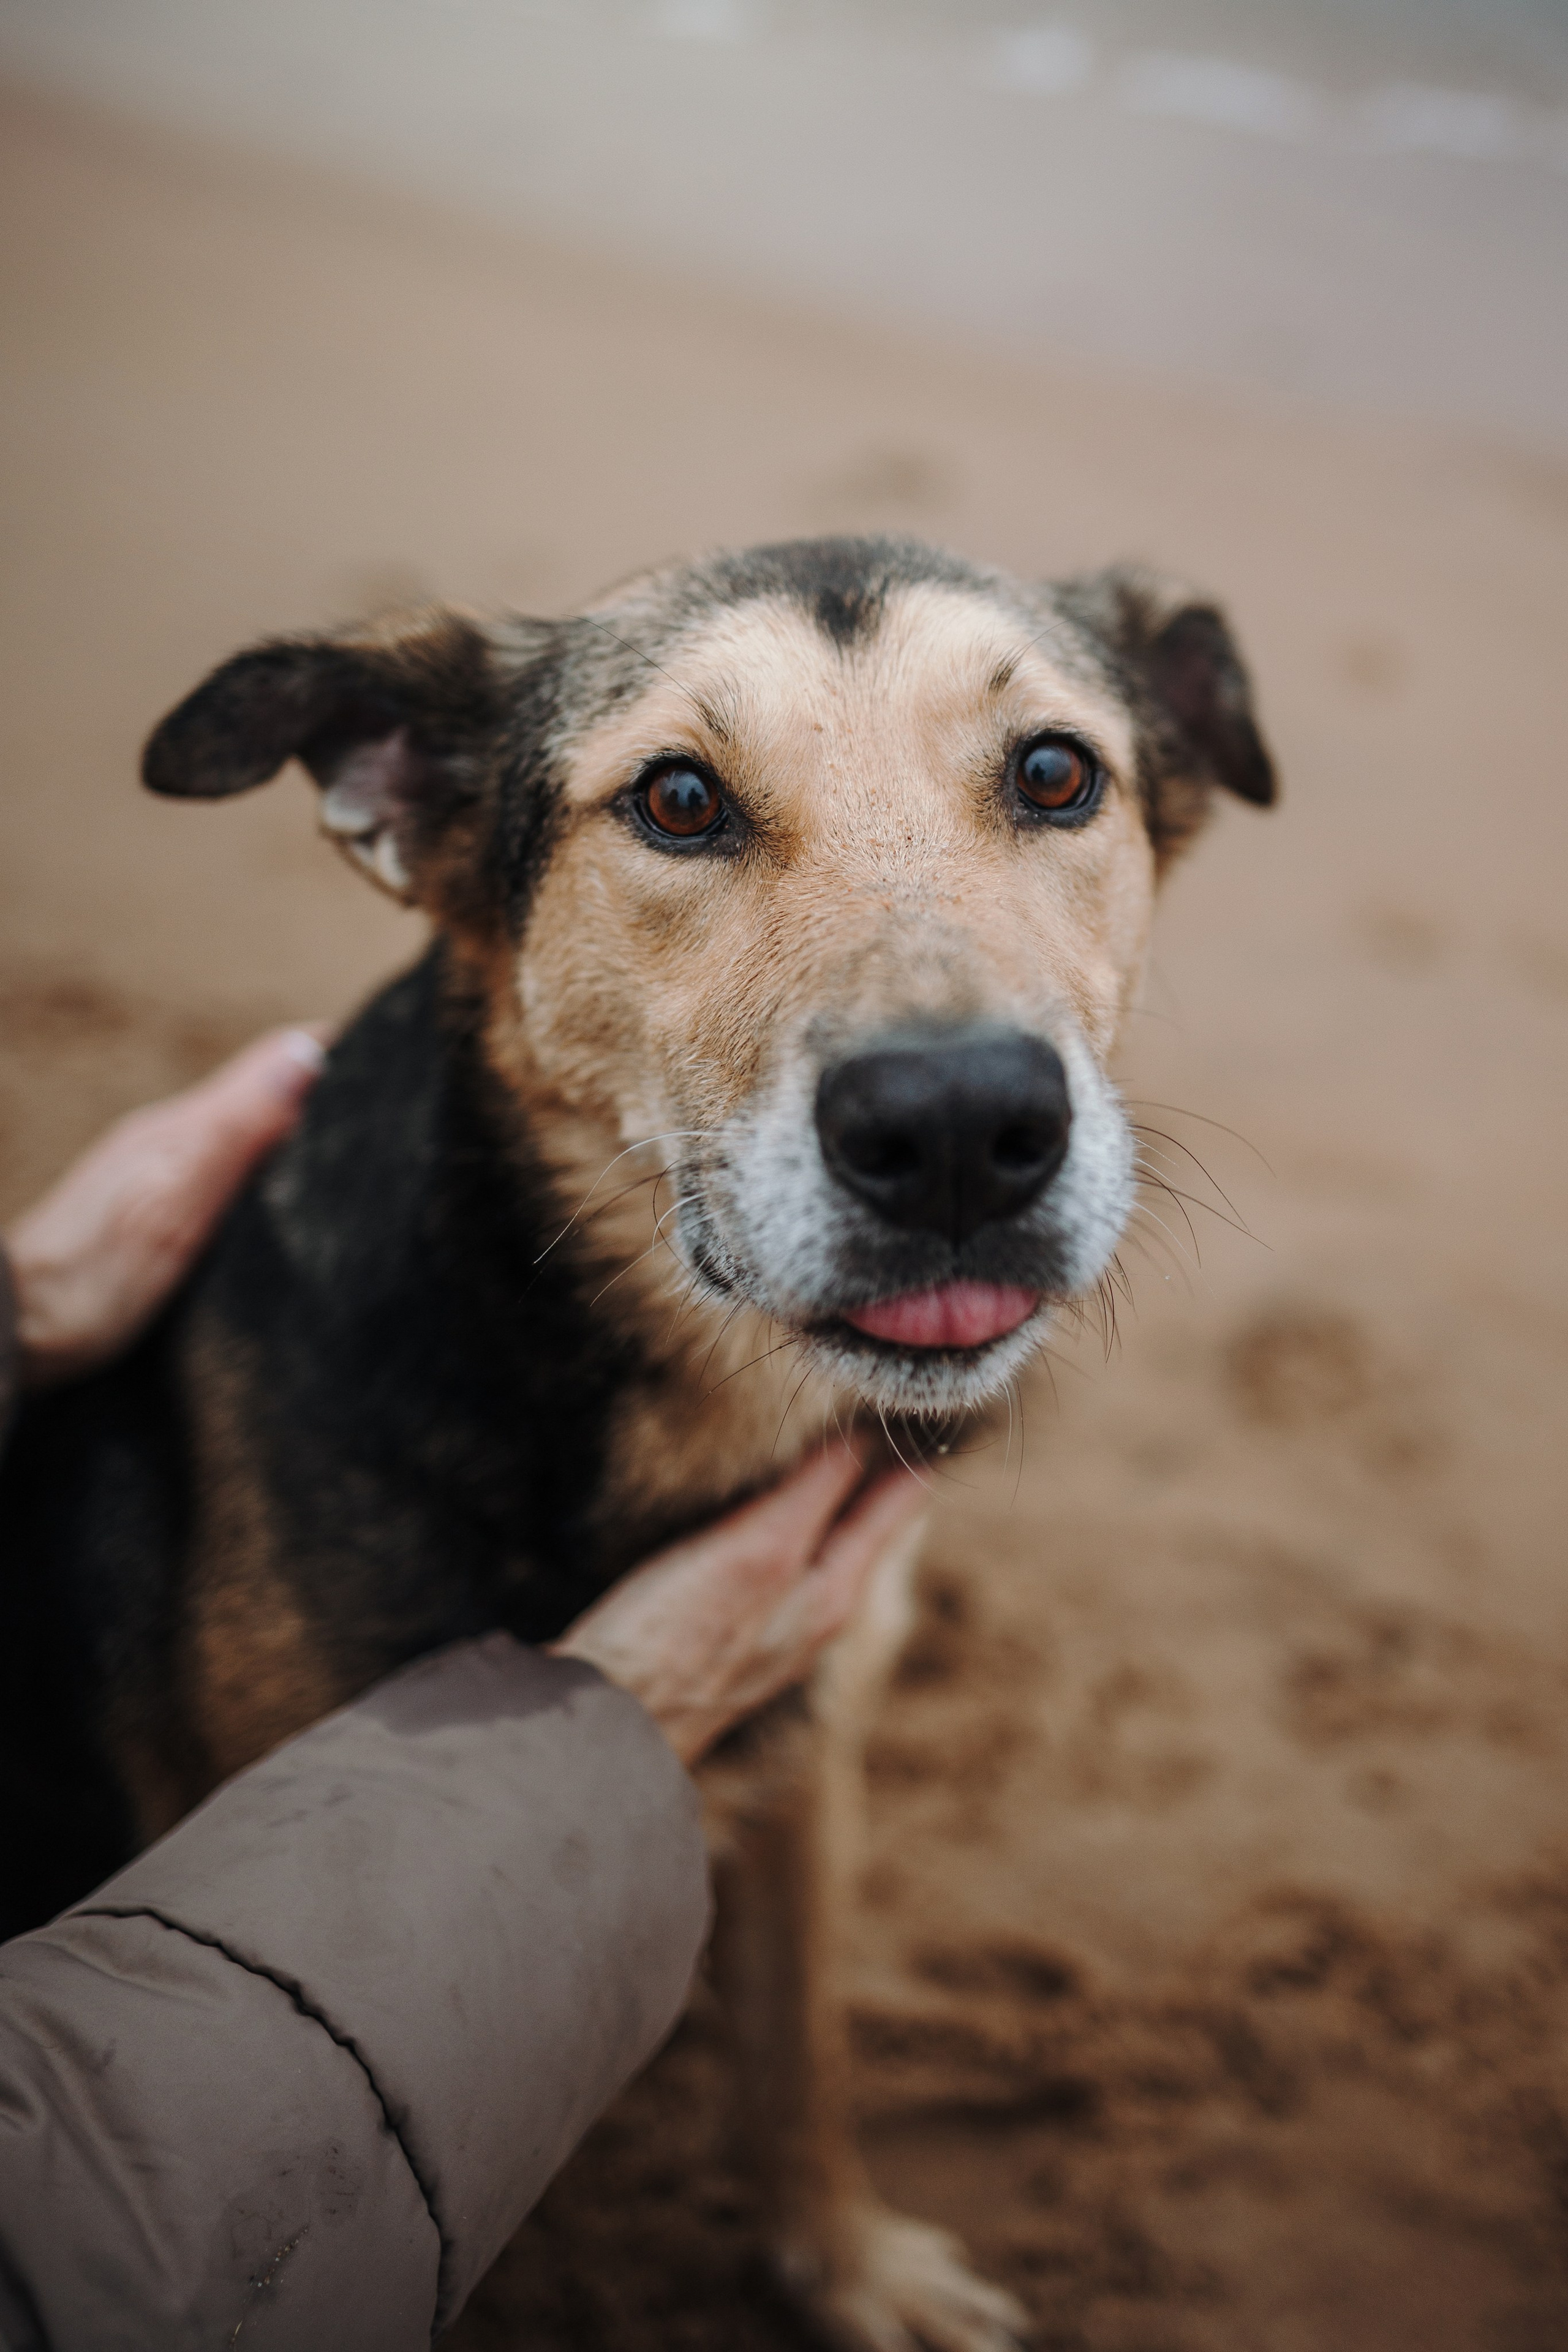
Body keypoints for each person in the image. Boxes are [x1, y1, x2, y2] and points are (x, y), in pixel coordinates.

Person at [0, 1029, 924, 2351]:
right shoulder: (305, 1501)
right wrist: (604, 1731)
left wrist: (19, 1309)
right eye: (679, 803)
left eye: (1052, 799)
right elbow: (220, 2034)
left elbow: (800, 1761)